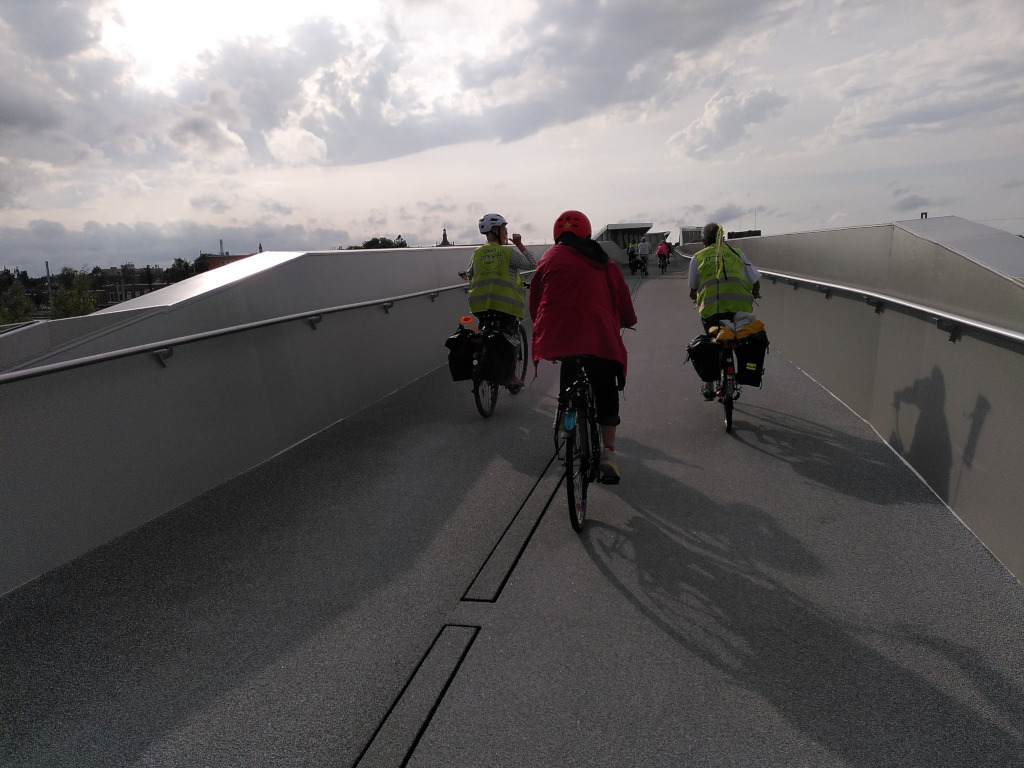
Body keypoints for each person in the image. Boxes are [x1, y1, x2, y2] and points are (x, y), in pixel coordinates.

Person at [529, 210, 637, 482]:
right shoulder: (605, 262)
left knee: (570, 362)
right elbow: (624, 302)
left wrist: (541, 326)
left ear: (557, 235)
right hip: (597, 334)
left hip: (558, 332)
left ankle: (564, 411)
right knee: (605, 387)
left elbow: (535, 302)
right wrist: (626, 320)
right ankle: (608, 454)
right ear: (588, 233)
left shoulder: (548, 257)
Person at [462, 213, 537, 389]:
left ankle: (482, 363)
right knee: (511, 338)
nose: (506, 232)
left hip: (480, 306)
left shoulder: (477, 253)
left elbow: (469, 274)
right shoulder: (508, 252)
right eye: (504, 229)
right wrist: (519, 244)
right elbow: (532, 264)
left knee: (485, 333)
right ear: (496, 231)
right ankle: (510, 377)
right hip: (505, 306)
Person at [688, 221, 762, 398]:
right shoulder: (738, 253)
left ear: (704, 241)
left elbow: (692, 291)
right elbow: (755, 281)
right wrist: (755, 293)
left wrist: (697, 297)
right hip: (740, 310)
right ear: (723, 238)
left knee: (712, 339)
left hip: (713, 313)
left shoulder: (698, 257)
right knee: (740, 341)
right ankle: (740, 370)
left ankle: (709, 383)